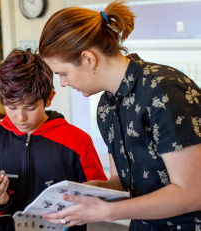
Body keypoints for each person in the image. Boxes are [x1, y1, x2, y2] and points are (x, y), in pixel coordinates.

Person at [38, 1, 201, 230]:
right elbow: (124, 184)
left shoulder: (164, 89)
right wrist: (94, 190)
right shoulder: (106, 106)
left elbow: (193, 193)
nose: (63, 83)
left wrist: (108, 211)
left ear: (88, 59)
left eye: (63, 73)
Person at [0, 48, 107, 230]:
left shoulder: (78, 141)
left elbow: (98, 194)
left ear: (49, 98)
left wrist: (79, 206)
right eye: (11, 107)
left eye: (30, 108)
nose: (20, 118)